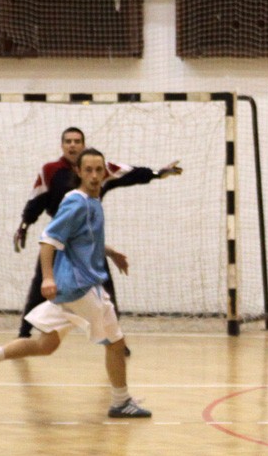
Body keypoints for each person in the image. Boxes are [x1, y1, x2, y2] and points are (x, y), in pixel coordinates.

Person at [0, 148, 151, 418]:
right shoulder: (77, 202)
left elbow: (84, 239)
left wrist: (110, 252)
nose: (94, 175)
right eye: (88, 170)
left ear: (105, 173)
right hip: (81, 287)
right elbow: (48, 239)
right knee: (116, 343)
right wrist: (48, 277)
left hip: (70, 290)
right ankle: (121, 402)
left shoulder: (92, 201)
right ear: (78, 172)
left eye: (99, 170)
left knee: (45, 345)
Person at [14, 127, 182, 344]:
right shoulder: (50, 171)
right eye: (68, 141)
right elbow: (36, 199)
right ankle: (24, 334)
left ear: (83, 145)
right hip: (59, 239)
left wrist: (157, 173)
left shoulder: (99, 169)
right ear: (62, 145)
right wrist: (25, 224)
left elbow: (129, 173)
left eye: (77, 141)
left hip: (89, 242)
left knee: (105, 288)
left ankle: (116, 340)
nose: (72, 145)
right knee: (42, 283)